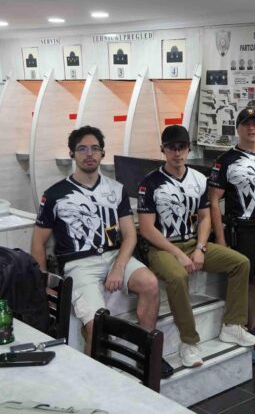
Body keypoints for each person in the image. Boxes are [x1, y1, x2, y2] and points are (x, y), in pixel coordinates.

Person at [30, 126, 173, 376]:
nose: (89, 154)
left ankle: (146, 354)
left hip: (114, 255)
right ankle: (96, 375)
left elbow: (130, 235)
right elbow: (38, 244)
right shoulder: (54, 195)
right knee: (97, 324)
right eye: (82, 149)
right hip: (78, 263)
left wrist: (118, 267)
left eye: (95, 148)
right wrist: (45, 285)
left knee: (150, 284)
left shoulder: (116, 189)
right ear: (72, 154)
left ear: (103, 153)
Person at [138, 125, 255, 368]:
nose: (177, 153)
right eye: (171, 148)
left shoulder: (198, 179)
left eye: (181, 147)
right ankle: (189, 341)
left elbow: (205, 218)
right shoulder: (149, 183)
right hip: (162, 248)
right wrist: (178, 254)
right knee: (177, 275)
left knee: (240, 263)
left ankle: (232, 325)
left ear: (189, 149)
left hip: (192, 242)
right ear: (163, 149)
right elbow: (147, 228)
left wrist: (200, 248)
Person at [209, 108, 255, 365]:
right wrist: (220, 239)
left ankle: (253, 327)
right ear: (238, 128)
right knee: (241, 280)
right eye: (246, 124)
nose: (252, 128)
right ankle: (238, 333)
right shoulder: (225, 161)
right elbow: (213, 201)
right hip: (240, 229)